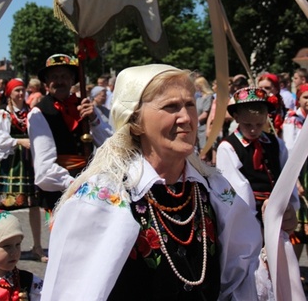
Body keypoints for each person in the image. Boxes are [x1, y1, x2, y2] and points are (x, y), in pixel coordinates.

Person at [41, 64, 298, 301]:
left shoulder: (214, 189)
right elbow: (71, 290)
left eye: (190, 105)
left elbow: (241, 275)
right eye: (171, 107)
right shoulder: (100, 198)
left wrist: (273, 230)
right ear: (136, 121)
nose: (186, 117)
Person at [28, 54, 112, 212]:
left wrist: (94, 119)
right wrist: (78, 185)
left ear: (73, 80)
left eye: (65, 76)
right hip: (63, 190)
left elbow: (109, 145)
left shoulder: (85, 106)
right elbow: (43, 170)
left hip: (92, 185)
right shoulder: (39, 113)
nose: (60, 81)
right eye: (54, 77)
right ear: (46, 82)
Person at [0, 78, 46, 262]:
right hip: (9, 163)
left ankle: (37, 246)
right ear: (9, 93)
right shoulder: (2, 114)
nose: (20, 93)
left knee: (34, 204)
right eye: (17, 90)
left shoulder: (31, 113)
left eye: (22, 90)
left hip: (28, 161)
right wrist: (19, 141)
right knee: (3, 205)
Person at [216, 86, 297, 226]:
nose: (254, 129)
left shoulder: (275, 143)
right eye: (247, 124)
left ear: (266, 118)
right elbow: (236, 187)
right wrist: (251, 221)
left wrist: (290, 205)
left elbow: (287, 175)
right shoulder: (228, 147)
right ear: (236, 118)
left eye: (259, 124)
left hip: (278, 212)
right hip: (247, 217)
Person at [283, 83, 308, 260]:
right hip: (299, 172)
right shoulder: (293, 119)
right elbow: (289, 150)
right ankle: (295, 267)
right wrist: (295, 181)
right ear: (298, 99)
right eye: (306, 97)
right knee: (298, 229)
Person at [193, 76, 213, 151]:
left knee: (203, 152)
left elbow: (205, 113)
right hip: (197, 127)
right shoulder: (198, 98)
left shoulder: (208, 97)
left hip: (203, 127)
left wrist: (195, 121)